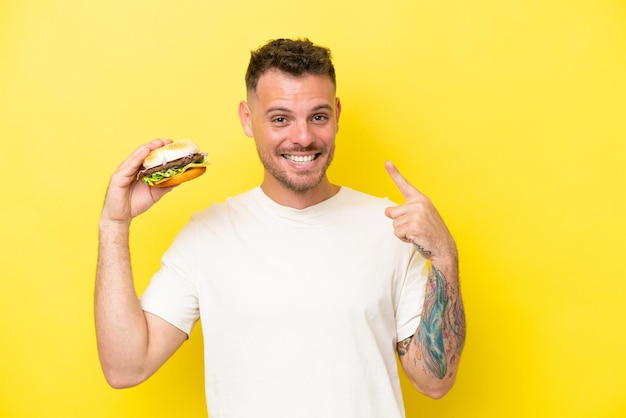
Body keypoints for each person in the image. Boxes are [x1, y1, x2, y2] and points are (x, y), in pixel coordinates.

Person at [95, 38, 466, 417]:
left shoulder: (392, 227)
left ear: (337, 114)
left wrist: (445, 258)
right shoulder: (206, 236)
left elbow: (434, 381)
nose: (303, 137)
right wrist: (114, 223)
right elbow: (126, 367)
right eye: (280, 118)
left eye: (318, 116)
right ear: (246, 119)